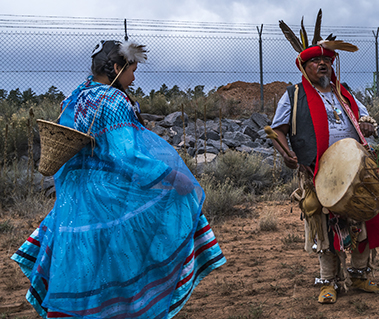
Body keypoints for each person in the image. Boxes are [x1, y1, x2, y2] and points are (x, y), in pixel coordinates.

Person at [12, 40, 225, 318]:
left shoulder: (76, 97)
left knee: (87, 265)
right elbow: (127, 155)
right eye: (132, 71)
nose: (134, 78)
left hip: (77, 203)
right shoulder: (113, 100)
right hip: (109, 201)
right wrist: (171, 177)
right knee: (121, 261)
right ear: (115, 67)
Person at [269, 12, 379, 305]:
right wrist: (287, 154)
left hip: (353, 169)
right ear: (304, 66)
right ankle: (328, 281)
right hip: (316, 168)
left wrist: (369, 125)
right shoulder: (294, 95)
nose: (323, 64)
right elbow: (278, 130)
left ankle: (360, 273)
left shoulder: (343, 93)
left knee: (361, 218)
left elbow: (364, 117)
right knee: (322, 224)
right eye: (316, 61)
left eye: (327, 61)